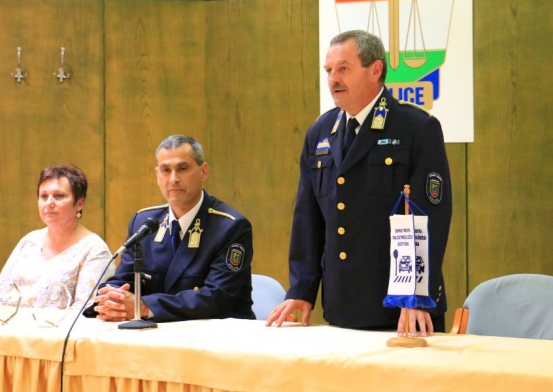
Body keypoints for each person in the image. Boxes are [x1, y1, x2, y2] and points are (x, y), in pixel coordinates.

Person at [266, 30, 452, 335]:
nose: (333, 79)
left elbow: (430, 218)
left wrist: (416, 296)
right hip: (342, 306)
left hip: (401, 309)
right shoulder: (320, 132)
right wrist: (302, 289)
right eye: (329, 70)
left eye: (343, 68)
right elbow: (308, 220)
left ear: (375, 70)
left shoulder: (415, 128)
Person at [87, 134, 254, 322]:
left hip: (215, 334)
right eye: (166, 170)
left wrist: (143, 306)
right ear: (157, 175)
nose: (173, 179)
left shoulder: (230, 227)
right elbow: (124, 279)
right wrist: (113, 300)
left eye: (183, 169)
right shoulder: (144, 222)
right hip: (157, 332)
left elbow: (217, 297)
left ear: (203, 172)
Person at [0, 165, 115, 311]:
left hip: (58, 326)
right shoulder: (29, 241)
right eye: (44, 196)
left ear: (79, 203)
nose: (49, 202)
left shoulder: (95, 250)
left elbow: (84, 310)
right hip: (7, 323)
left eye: (59, 196)